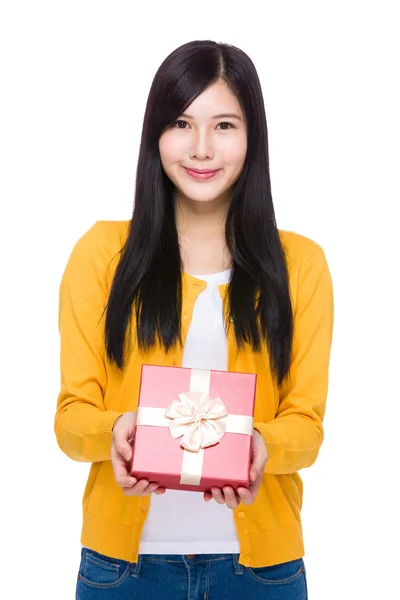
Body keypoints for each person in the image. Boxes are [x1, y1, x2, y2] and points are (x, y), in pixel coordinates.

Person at [55, 39, 334, 600]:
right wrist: (114, 432)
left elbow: (307, 426)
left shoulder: (300, 264)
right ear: (155, 134)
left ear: (252, 137)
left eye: (224, 125)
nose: (202, 148)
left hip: (261, 573)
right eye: (181, 123)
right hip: (123, 571)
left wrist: (260, 446)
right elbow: (70, 417)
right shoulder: (102, 254)